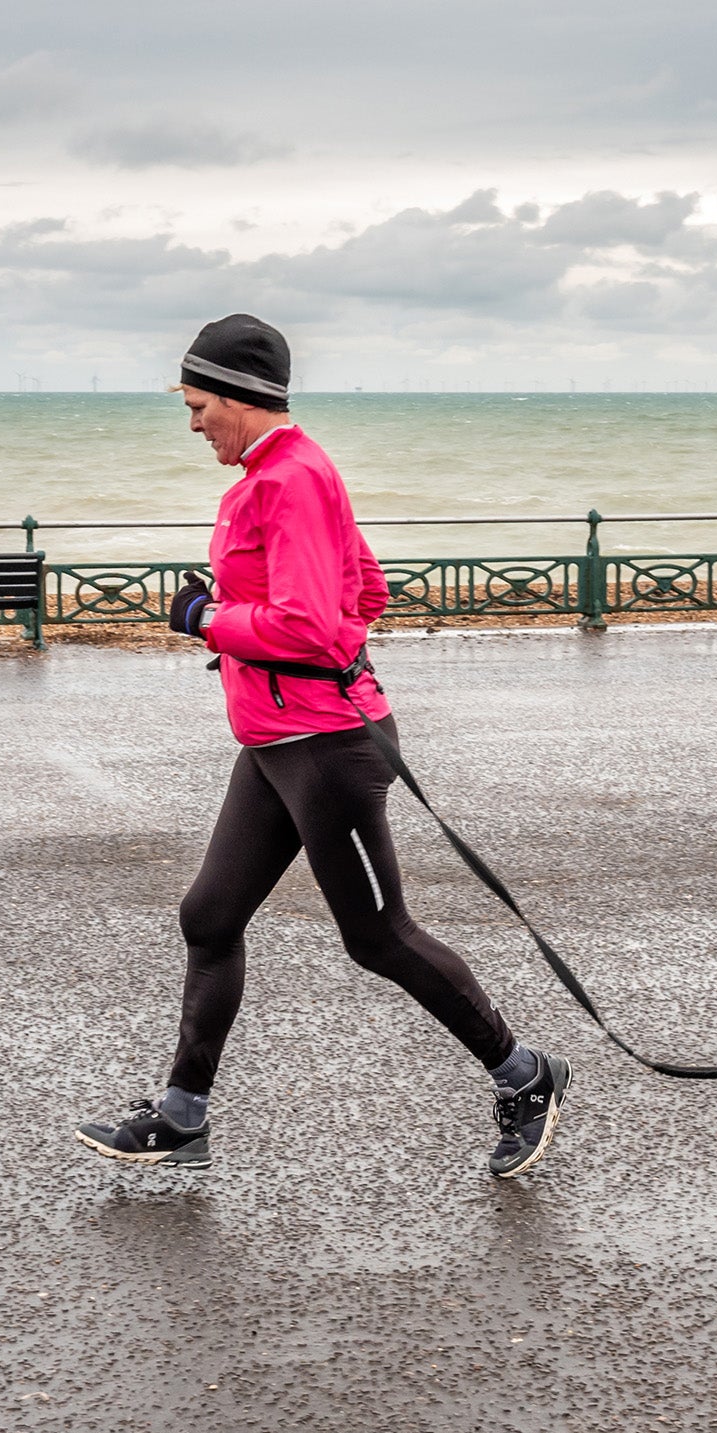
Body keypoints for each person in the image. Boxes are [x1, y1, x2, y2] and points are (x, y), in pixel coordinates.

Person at [76, 313, 569, 1177]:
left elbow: (308, 623)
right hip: (276, 739)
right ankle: (184, 1116)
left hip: (330, 750)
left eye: (198, 405)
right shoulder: (281, 474)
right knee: (210, 916)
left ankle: (524, 1075)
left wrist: (206, 620)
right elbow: (365, 592)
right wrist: (298, 652)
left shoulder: (289, 481)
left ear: (241, 397)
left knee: (377, 937)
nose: (192, 423)